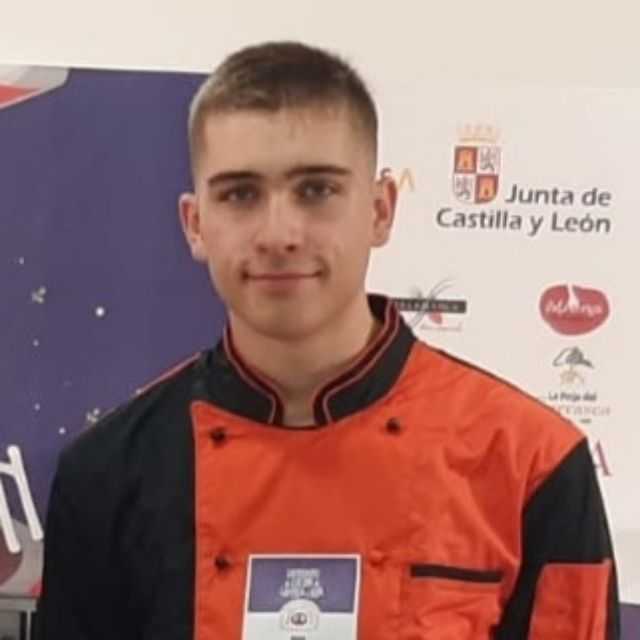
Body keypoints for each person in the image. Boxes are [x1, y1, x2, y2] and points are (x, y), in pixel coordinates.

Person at [35, 41, 620, 639]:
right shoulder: (107, 474)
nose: (279, 234)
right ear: (195, 224)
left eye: (316, 190)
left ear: (380, 210)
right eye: (239, 194)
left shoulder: (533, 465)